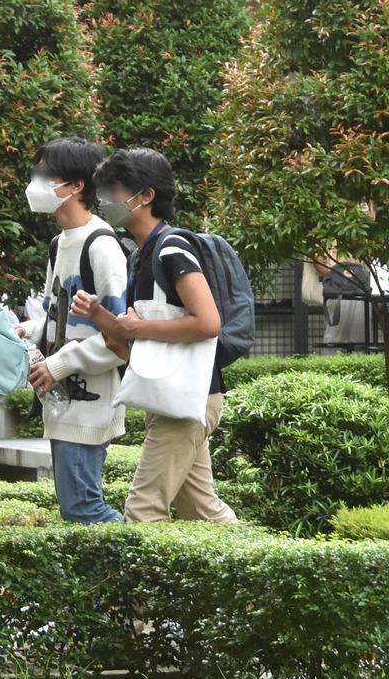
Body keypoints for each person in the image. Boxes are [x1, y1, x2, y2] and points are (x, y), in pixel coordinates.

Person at [74, 148, 236, 524]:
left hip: (189, 395)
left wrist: (139, 327)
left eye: (114, 190)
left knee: (142, 510)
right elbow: (132, 340)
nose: (106, 200)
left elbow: (207, 322)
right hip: (171, 396)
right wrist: (97, 313)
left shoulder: (173, 247)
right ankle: (256, 577)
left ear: (146, 196)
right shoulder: (140, 255)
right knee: (202, 511)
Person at [20, 137, 131, 525]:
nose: (35, 183)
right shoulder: (60, 243)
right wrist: (30, 330)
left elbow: (120, 336)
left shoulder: (101, 245)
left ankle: (141, 563)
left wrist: (61, 363)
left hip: (90, 399)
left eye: (45, 174)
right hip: (64, 399)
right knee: (77, 509)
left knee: (84, 509)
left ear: (76, 185)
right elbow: (60, 317)